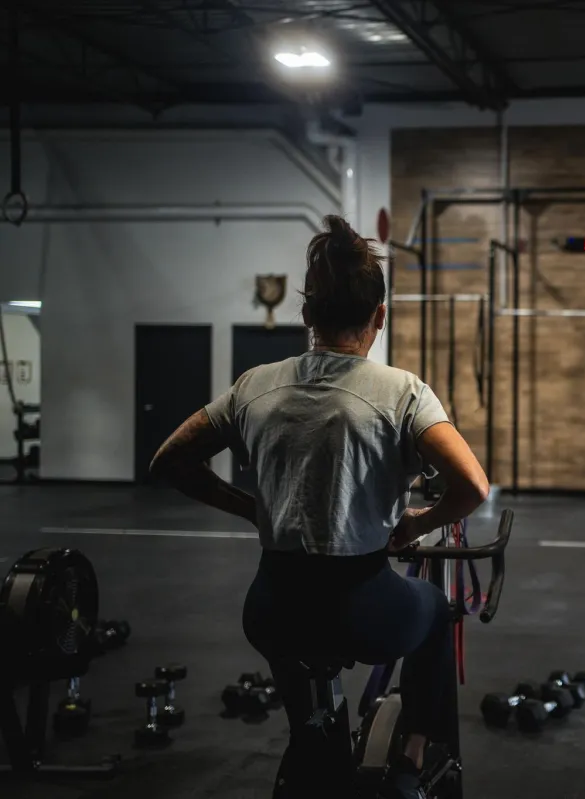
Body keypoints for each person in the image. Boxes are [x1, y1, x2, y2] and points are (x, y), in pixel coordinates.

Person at [149, 215, 489, 799]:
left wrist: (254, 509)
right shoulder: (403, 392)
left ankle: (311, 738)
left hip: (272, 607)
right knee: (434, 612)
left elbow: (170, 461)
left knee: (296, 651)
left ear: (306, 315)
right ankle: (412, 755)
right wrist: (416, 525)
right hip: (363, 608)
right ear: (378, 318)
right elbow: (472, 486)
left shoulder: (253, 385)